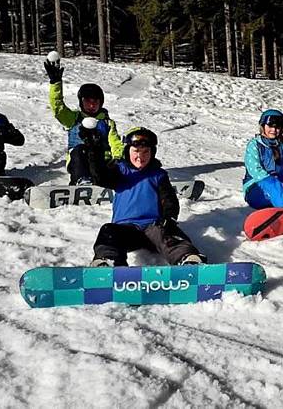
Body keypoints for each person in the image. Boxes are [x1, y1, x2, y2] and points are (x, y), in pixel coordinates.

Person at [80, 126, 206, 267]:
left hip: (153, 228)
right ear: (128, 151)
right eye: (136, 151)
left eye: (146, 152)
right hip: (126, 230)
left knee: (170, 232)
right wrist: (93, 149)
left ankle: (187, 259)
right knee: (108, 231)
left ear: (152, 153)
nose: (140, 157)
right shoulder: (120, 171)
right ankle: (109, 262)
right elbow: (100, 177)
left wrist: (169, 218)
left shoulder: (158, 175)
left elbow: (169, 199)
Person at [43, 58, 123, 185]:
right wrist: (55, 83)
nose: (91, 106)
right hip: (80, 161)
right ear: (81, 102)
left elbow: (115, 142)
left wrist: (118, 157)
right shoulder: (72, 118)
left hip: (102, 162)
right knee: (80, 151)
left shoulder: (107, 123)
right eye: (87, 102)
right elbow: (58, 108)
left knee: (109, 164)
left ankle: (106, 183)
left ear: (100, 103)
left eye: (95, 102)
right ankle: (82, 180)